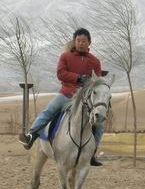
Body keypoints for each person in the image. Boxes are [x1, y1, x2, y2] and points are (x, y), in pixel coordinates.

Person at [19, 27, 105, 166]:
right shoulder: (65, 56)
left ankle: (92, 153)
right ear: (74, 42)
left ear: (89, 43)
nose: (81, 43)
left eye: (84, 41)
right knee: (49, 110)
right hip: (67, 93)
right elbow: (60, 74)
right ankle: (31, 136)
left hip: (86, 99)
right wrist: (78, 78)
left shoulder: (95, 61)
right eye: (78, 40)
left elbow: (98, 80)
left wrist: (92, 83)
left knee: (100, 124)